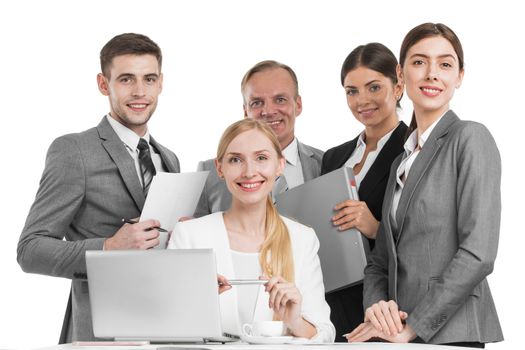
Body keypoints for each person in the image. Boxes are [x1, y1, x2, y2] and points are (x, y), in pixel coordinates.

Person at [346, 23, 503, 347]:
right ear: (401, 76)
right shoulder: (400, 160)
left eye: (445, 64)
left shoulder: (470, 138)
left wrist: (414, 326)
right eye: (420, 62)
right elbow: (381, 260)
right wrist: (377, 309)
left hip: (449, 333)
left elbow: (479, 253)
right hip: (397, 332)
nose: (432, 74)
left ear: (459, 76)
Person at [17, 33, 180, 343]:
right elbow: (30, 250)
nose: (139, 91)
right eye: (126, 80)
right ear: (103, 84)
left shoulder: (168, 158)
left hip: (166, 328)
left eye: (149, 79)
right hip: (99, 334)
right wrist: (108, 248)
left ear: (161, 83)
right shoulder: (74, 150)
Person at [169, 119, 335, 342]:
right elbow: (167, 328)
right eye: (236, 160)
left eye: (261, 158)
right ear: (220, 168)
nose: (249, 172)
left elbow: (325, 334)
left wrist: (294, 321)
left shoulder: (302, 239)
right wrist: (197, 302)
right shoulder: (189, 236)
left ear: (279, 165)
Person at [321, 43, 407, 341]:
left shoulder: (414, 149)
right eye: (351, 91)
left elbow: (430, 240)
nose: (362, 100)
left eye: (373, 87)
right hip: (332, 298)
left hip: (387, 304)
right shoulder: (333, 157)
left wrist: (375, 228)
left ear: (398, 87)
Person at [194, 60, 323, 217]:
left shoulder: (327, 164)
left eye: (280, 99)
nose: (268, 111)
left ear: (298, 105)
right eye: (257, 103)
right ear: (245, 111)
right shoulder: (210, 173)